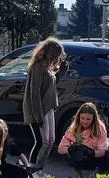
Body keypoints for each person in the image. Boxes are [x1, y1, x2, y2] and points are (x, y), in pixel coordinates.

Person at [23, 38, 65, 169]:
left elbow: (51, 85)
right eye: (57, 55)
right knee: (43, 142)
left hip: (49, 108)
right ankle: (32, 168)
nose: (58, 58)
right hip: (39, 110)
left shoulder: (47, 68)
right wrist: (38, 117)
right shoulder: (38, 68)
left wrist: (62, 70)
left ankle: (40, 167)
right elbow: (34, 94)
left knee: (51, 141)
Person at [57, 102, 109, 176]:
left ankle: (100, 171)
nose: (85, 121)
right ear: (78, 117)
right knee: (73, 155)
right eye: (82, 118)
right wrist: (71, 149)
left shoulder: (99, 127)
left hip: (95, 153)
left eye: (88, 119)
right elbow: (60, 149)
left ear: (93, 119)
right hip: (80, 156)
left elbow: (103, 151)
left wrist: (91, 153)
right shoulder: (73, 127)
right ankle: (79, 174)